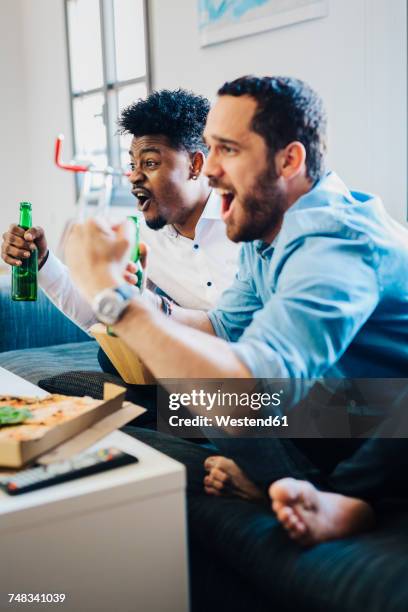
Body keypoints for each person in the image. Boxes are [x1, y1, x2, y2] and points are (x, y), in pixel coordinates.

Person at [65, 76, 408, 544]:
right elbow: (220, 327)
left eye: (228, 150)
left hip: (380, 419)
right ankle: (290, 482)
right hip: (336, 405)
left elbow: (245, 391)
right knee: (140, 393)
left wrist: (116, 301)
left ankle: (340, 496)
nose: (209, 171)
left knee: (217, 396)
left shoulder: (335, 239)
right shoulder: (263, 225)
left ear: (289, 159)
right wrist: (141, 298)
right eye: (210, 149)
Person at [1, 88, 239, 337]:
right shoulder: (141, 236)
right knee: (113, 354)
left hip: (259, 363)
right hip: (193, 362)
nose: (134, 176)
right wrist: (42, 261)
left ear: (195, 165)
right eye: (132, 165)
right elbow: (103, 314)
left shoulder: (247, 222)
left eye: (150, 163)